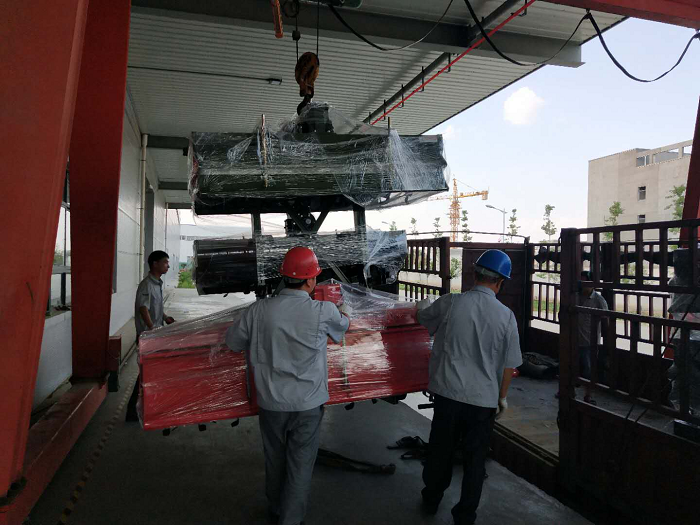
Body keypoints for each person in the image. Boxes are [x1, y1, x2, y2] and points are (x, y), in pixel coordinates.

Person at [225, 247, 350, 525]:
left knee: (275, 459)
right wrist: (346, 311)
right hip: (308, 404)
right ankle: (291, 519)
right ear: (310, 280)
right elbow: (342, 328)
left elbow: (232, 343)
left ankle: (275, 508)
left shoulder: (258, 310)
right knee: (301, 464)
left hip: (271, 403)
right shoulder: (323, 311)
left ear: (284, 276)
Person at [415, 249, 522, 525]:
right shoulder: (506, 316)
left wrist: (422, 305)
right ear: (501, 282)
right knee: (475, 461)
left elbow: (423, 317)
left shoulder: (451, 303)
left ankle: (431, 499)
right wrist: (502, 398)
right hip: (482, 402)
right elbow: (509, 365)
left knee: (440, 451)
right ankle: (465, 516)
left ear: (475, 274)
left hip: (448, 395)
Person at [125, 250, 175, 422]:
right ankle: (133, 412)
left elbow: (155, 308)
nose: (168, 266)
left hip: (155, 334)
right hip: (148, 337)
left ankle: (144, 408)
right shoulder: (147, 285)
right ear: (155, 263)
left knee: (151, 372)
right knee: (146, 374)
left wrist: (165, 317)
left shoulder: (157, 283)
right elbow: (143, 309)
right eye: (165, 262)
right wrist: (152, 328)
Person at [576, 270, 609, 405]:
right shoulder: (575, 296)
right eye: (581, 281)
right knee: (570, 366)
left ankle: (588, 395)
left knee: (589, 370)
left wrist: (606, 342)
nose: (583, 284)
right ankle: (566, 390)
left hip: (589, 341)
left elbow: (605, 320)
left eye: (585, 282)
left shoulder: (599, 300)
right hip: (574, 339)